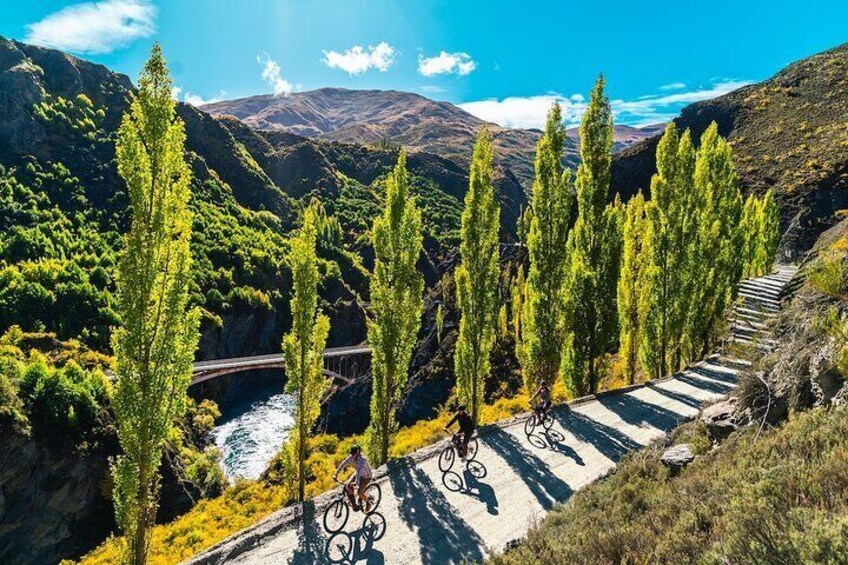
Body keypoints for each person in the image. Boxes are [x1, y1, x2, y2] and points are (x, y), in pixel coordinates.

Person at [333, 444, 373, 512]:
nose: (352, 455)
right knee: (347, 486)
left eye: (354, 454)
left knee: (359, 493)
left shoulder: (363, 460)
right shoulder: (351, 457)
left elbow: (360, 472)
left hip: (366, 477)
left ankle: (368, 503)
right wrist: (336, 474)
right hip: (357, 473)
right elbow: (343, 464)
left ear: (358, 452)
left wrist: (356, 483)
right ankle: (354, 505)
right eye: (352, 454)